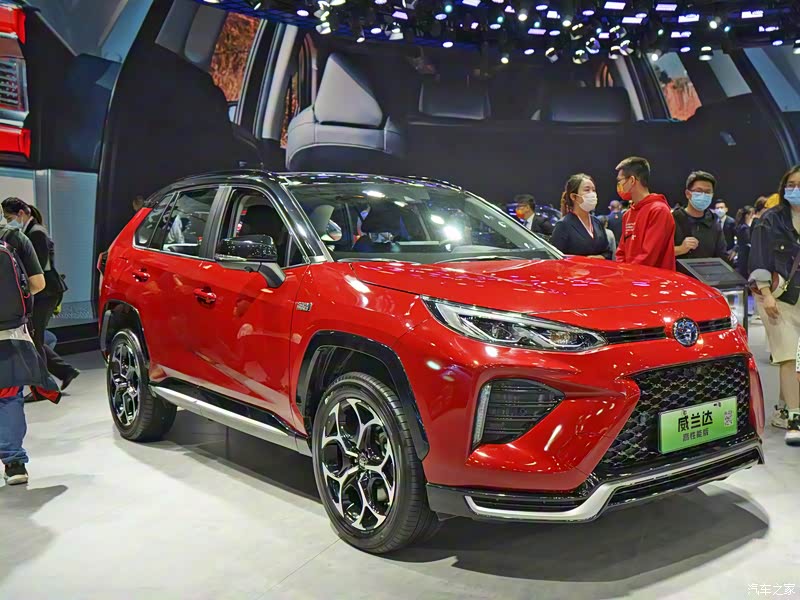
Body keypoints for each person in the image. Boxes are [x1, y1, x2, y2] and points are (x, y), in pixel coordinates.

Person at [2, 198, 80, 394]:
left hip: (45, 292)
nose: (7, 221)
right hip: (39, 292)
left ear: (21, 213)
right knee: (34, 337)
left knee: (34, 340)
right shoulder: (27, 232)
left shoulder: (35, 233)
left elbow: (39, 271)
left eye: (8, 217)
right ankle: (64, 371)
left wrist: (20, 292)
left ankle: (42, 389)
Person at [748, 164, 800, 445]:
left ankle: (782, 410)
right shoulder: (770, 219)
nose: (795, 189)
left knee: (796, 357)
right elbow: (758, 258)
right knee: (788, 355)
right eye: (791, 184)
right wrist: (766, 293)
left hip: (797, 296)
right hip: (775, 297)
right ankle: (795, 418)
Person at [0, 216, 50, 485]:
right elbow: (39, 283)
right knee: (8, 397)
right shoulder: (15, 238)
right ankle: (14, 464)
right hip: (9, 333)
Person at [614, 156, 676, 270]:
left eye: (620, 181)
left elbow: (649, 256)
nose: (618, 186)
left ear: (632, 180)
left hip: (654, 279)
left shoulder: (659, 210)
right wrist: (622, 271)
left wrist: (627, 272)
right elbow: (621, 252)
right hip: (630, 277)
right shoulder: (628, 214)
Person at [550, 174, 611, 259]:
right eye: (587, 190)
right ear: (573, 196)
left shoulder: (597, 222)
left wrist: (601, 257)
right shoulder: (563, 225)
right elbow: (556, 258)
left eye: (593, 190)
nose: (592, 194)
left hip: (599, 267)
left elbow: (608, 252)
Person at [673, 171, 728, 261]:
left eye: (707, 192)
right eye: (699, 191)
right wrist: (680, 249)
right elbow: (657, 252)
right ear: (688, 194)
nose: (703, 195)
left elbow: (722, 256)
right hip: (677, 270)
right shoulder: (674, 219)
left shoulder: (713, 222)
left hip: (707, 270)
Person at [734, 205, 755, 279]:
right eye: (752, 214)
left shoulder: (742, 226)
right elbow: (748, 241)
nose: (753, 216)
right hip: (745, 255)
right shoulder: (745, 228)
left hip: (742, 254)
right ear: (747, 215)